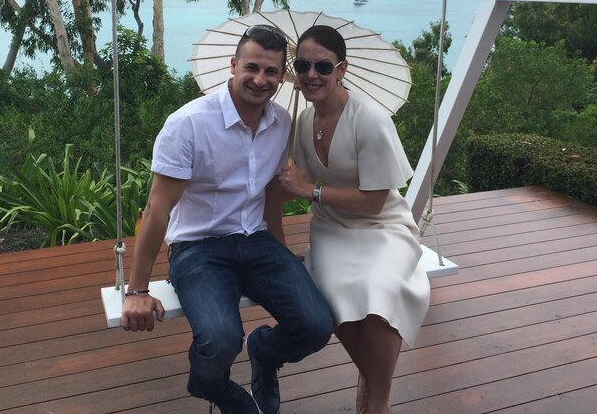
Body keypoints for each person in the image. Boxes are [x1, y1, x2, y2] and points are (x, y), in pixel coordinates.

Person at [121, 24, 333, 414]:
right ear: (233, 65)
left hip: (256, 241)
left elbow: (268, 195)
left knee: (316, 326)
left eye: (271, 71)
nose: (260, 79)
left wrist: (282, 252)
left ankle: (265, 352)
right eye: (252, 67)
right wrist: (136, 291)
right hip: (198, 248)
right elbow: (157, 209)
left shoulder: (281, 123)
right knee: (221, 340)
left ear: (282, 77)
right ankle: (211, 384)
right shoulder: (188, 124)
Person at [276, 25, 430, 414]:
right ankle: (376, 391)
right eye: (303, 66)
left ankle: (376, 402)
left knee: (380, 289)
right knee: (332, 293)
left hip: (382, 225)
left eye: (323, 67)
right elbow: (288, 185)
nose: (312, 75)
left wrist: (310, 190)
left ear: (342, 69)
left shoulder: (370, 119)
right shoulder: (301, 123)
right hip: (331, 229)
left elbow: (374, 202)